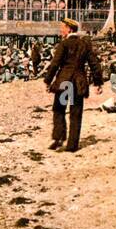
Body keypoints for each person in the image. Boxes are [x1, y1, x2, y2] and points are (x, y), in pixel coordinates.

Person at [44, 17, 104, 153]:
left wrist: (48, 81)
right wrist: (98, 82)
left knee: (59, 109)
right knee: (76, 113)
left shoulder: (64, 44)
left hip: (65, 83)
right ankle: (72, 145)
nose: (61, 30)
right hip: (79, 83)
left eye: (63, 27)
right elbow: (94, 63)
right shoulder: (84, 44)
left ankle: (59, 137)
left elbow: (55, 64)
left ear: (69, 29)